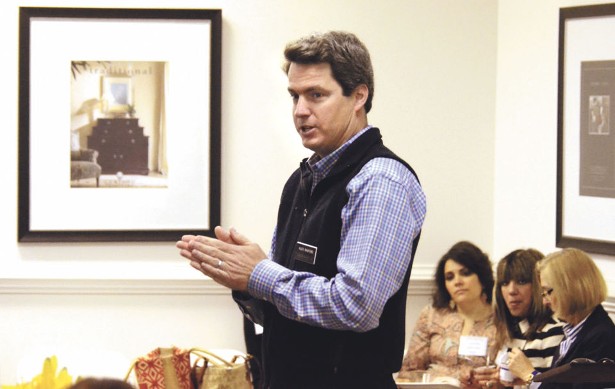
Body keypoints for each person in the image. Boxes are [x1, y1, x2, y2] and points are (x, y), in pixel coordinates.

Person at [176, 30, 426, 389]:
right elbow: (286, 307)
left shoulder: (381, 180)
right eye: (294, 96)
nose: (300, 111)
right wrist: (245, 282)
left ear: (359, 95)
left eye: (316, 95)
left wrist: (260, 274)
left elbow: (355, 306)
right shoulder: (302, 180)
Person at [397, 241, 497, 388]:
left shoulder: (501, 321)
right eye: (450, 277)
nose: (457, 282)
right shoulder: (432, 315)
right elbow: (408, 372)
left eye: (465, 273)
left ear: (482, 276)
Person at [473, 249, 564, 389]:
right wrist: (496, 384)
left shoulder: (553, 331)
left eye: (521, 281)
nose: (511, 290)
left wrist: (527, 374)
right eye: (505, 283)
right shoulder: (512, 329)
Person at [533, 248, 615, 389]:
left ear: (570, 288)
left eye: (548, 292)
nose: (545, 301)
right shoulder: (573, 331)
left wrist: (529, 375)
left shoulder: (601, 338)